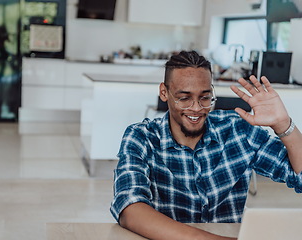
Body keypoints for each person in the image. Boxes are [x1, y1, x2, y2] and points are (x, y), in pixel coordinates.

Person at [110, 50, 302, 240]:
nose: (196, 108)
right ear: (164, 92)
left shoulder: (238, 130)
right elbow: (130, 208)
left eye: (205, 97)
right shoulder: (141, 137)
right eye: (184, 98)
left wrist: (284, 125)